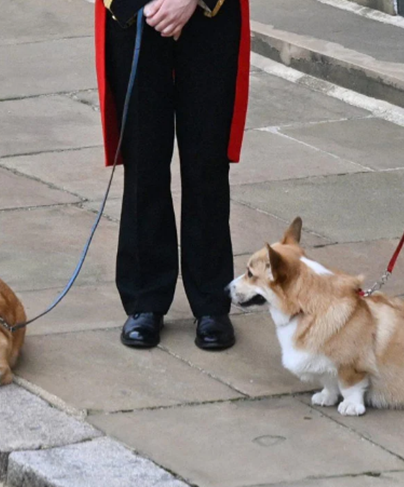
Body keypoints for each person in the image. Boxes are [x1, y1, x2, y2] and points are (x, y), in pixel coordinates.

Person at [95, 0, 250, 350]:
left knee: (207, 161)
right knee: (143, 162)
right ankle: (144, 298)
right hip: (134, 11)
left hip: (212, 13)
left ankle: (211, 300)